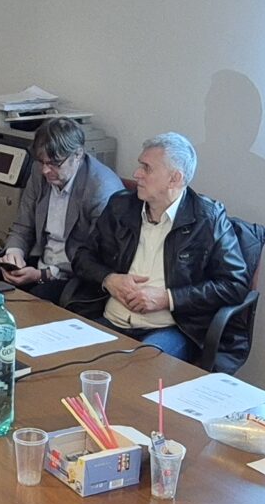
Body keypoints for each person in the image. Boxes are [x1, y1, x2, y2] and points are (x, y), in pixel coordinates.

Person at [64, 131, 248, 364]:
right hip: (111, 318)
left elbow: (234, 284)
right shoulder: (121, 206)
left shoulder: (208, 219)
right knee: (64, 360)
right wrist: (109, 279)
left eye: (147, 168)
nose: (136, 174)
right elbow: (82, 256)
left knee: (138, 369)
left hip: (168, 329)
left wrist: (168, 298)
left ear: (175, 179)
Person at [0, 116, 122, 304]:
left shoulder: (100, 190)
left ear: (78, 155)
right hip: (39, 260)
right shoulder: (39, 171)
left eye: (54, 163)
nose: (45, 170)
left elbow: (93, 259)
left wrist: (43, 275)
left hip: (73, 274)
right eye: (42, 162)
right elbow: (22, 226)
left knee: (36, 298)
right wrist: (14, 253)